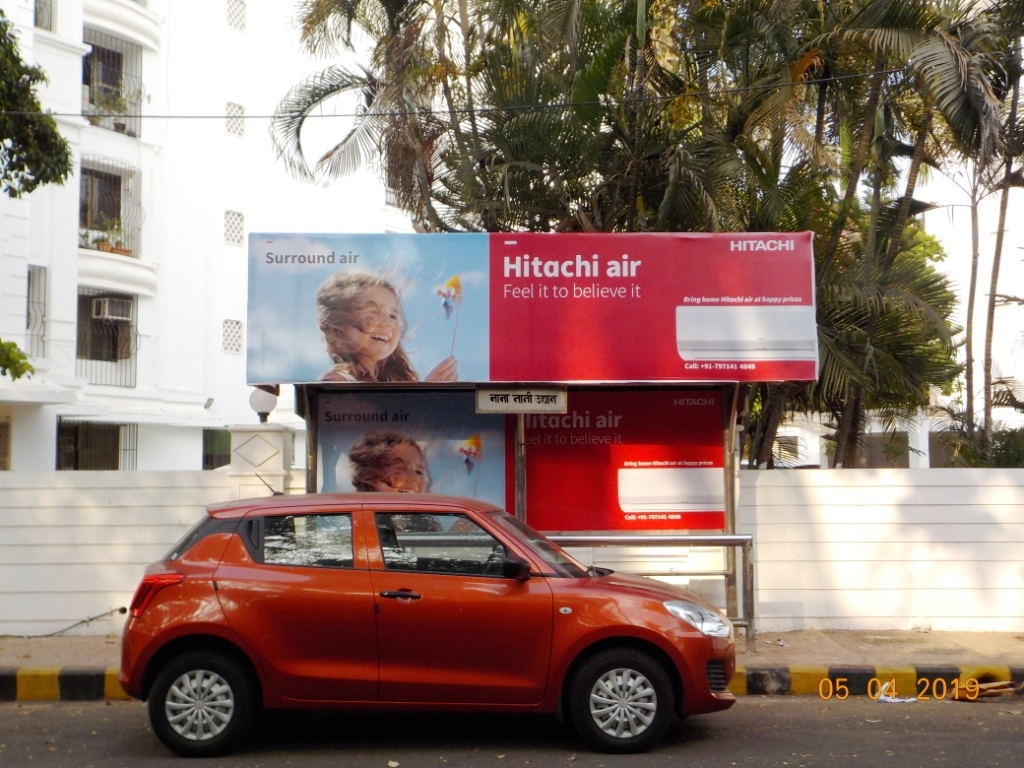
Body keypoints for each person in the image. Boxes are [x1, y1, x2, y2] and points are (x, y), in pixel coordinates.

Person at [316, 272, 458, 382]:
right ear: (340, 327)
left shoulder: (391, 384)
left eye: (393, 316)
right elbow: (370, 418)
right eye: (373, 312)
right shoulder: (336, 380)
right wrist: (426, 398)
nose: (388, 322)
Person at [347, 432, 441, 532]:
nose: (414, 478)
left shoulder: (427, 523)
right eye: (400, 470)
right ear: (370, 479)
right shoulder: (356, 521)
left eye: (419, 472)